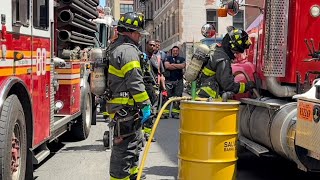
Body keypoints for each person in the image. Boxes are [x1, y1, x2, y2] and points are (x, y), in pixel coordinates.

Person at [106, 12, 151, 180]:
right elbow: (135, 82)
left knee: (133, 146)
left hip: (125, 109)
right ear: (132, 32)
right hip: (125, 109)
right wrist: (146, 104)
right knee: (123, 150)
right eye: (139, 33)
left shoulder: (117, 47)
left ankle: (133, 176)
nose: (140, 37)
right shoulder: (128, 51)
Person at [196, 28, 255, 98]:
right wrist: (246, 87)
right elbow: (227, 85)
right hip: (209, 96)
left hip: (200, 92)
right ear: (234, 48)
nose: (236, 54)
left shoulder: (215, 49)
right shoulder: (223, 59)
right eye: (237, 51)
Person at [141, 40, 167, 142]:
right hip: (143, 86)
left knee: (152, 111)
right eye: (150, 45)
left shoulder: (157, 58)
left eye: (154, 45)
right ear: (146, 45)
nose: (152, 47)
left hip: (154, 88)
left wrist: (163, 88)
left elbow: (160, 74)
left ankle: (148, 133)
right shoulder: (142, 57)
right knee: (144, 109)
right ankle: (140, 131)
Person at [163, 46, 186, 118]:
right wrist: (177, 66)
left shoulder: (182, 59)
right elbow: (167, 66)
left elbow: (183, 66)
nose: (175, 52)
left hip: (178, 80)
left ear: (178, 52)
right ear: (171, 51)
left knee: (177, 98)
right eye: (174, 50)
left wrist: (172, 65)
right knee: (166, 97)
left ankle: (175, 113)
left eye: (176, 50)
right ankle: (165, 113)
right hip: (169, 81)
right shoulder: (167, 58)